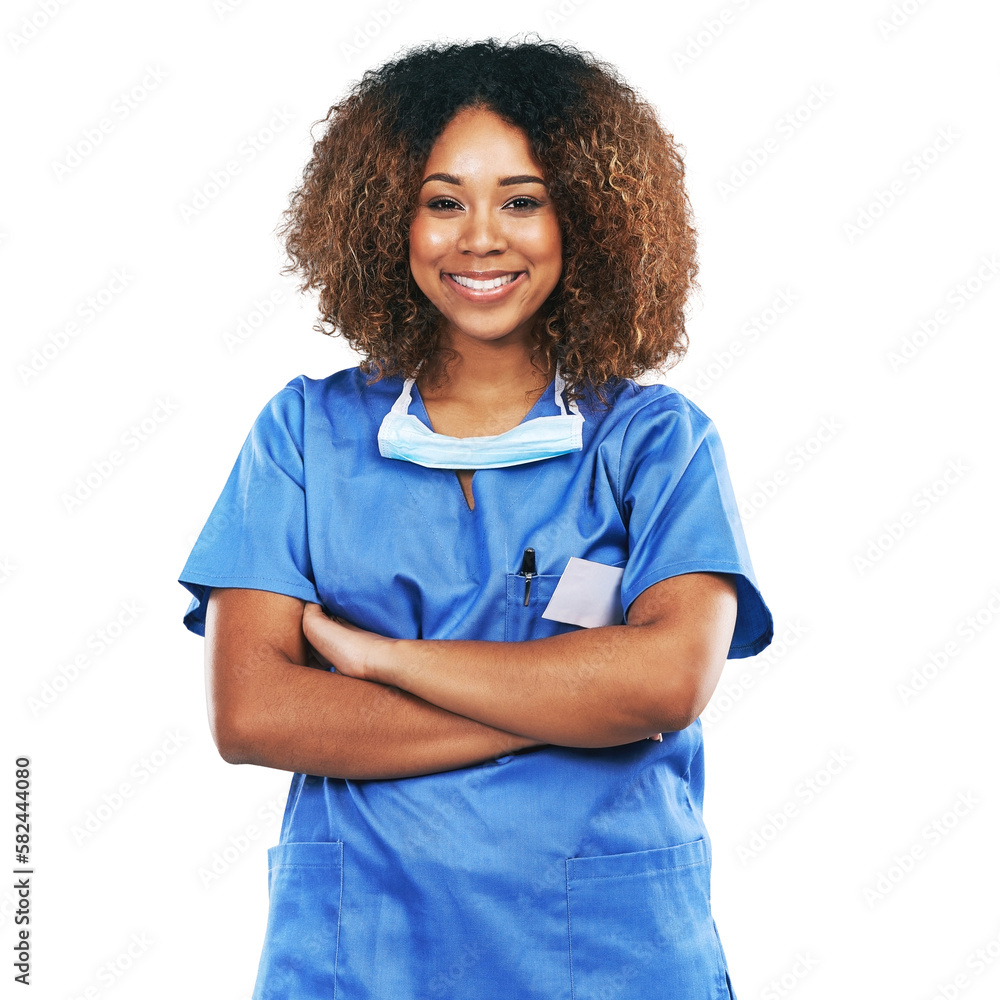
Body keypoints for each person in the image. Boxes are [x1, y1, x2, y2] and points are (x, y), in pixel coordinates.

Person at [179, 37, 773, 999]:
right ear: (386, 221)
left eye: (524, 200)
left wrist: (385, 660)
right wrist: (567, 706)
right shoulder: (303, 433)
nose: (481, 237)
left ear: (589, 218)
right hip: (359, 954)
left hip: (609, 958)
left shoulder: (658, 443)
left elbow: (664, 683)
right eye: (443, 200)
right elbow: (255, 712)